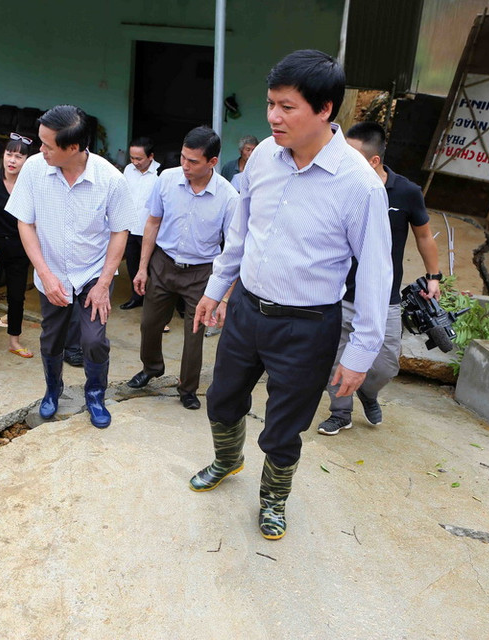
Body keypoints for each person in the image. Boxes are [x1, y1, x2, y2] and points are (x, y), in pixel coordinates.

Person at [190, 50, 392, 540]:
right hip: (245, 309)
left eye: (287, 107)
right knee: (222, 397)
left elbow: (375, 276)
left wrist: (360, 352)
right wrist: (217, 289)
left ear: (324, 110)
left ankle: (274, 499)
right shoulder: (262, 157)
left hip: (306, 326)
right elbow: (240, 232)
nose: (273, 117)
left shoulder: (359, 186)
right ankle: (227, 459)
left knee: (284, 425)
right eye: (270, 104)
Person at [8, 105, 137, 428]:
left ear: (74, 148)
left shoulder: (110, 179)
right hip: (51, 271)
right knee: (51, 339)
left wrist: (105, 283)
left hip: (92, 274)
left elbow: (120, 231)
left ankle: (95, 395)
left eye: (48, 145)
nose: (40, 150)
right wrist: (46, 275)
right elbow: (25, 223)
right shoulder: (36, 169)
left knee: (93, 340)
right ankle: (53, 391)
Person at [319, 121, 441, 435]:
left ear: (374, 161)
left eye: (353, 155)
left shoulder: (406, 192)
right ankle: (340, 413)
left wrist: (434, 276)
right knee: (337, 358)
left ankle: (368, 391)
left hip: (384, 298)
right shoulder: (337, 186)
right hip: (341, 292)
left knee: (386, 364)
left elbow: (425, 237)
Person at [126, 126, 238, 411]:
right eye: (183, 158)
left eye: (193, 161)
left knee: (194, 333)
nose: (185, 166)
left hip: (201, 273)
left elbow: (233, 249)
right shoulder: (166, 179)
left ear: (212, 162)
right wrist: (142, 268)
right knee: (149, 323)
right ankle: (151, 367)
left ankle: (187, 388)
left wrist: (224, 294)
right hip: (163, 264)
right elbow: (152, 222)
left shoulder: (228, 196)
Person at [0, 132, 35, 359]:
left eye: (19, 157)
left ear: (26, 161)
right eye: (9, 155)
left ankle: (14, 340)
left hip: (19, 250)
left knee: (16, 295)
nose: (12, 160)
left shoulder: (29, 185)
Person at [119, 137, 161, 311]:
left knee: (152, 269)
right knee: (132, 266)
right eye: (132, 158)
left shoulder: (160, 173)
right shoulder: (128, 170)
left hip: (150, 231)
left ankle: (155, 304)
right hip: (130, 228)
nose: (134, 162)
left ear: (150, 156)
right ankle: (137, 297)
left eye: (139, 159)